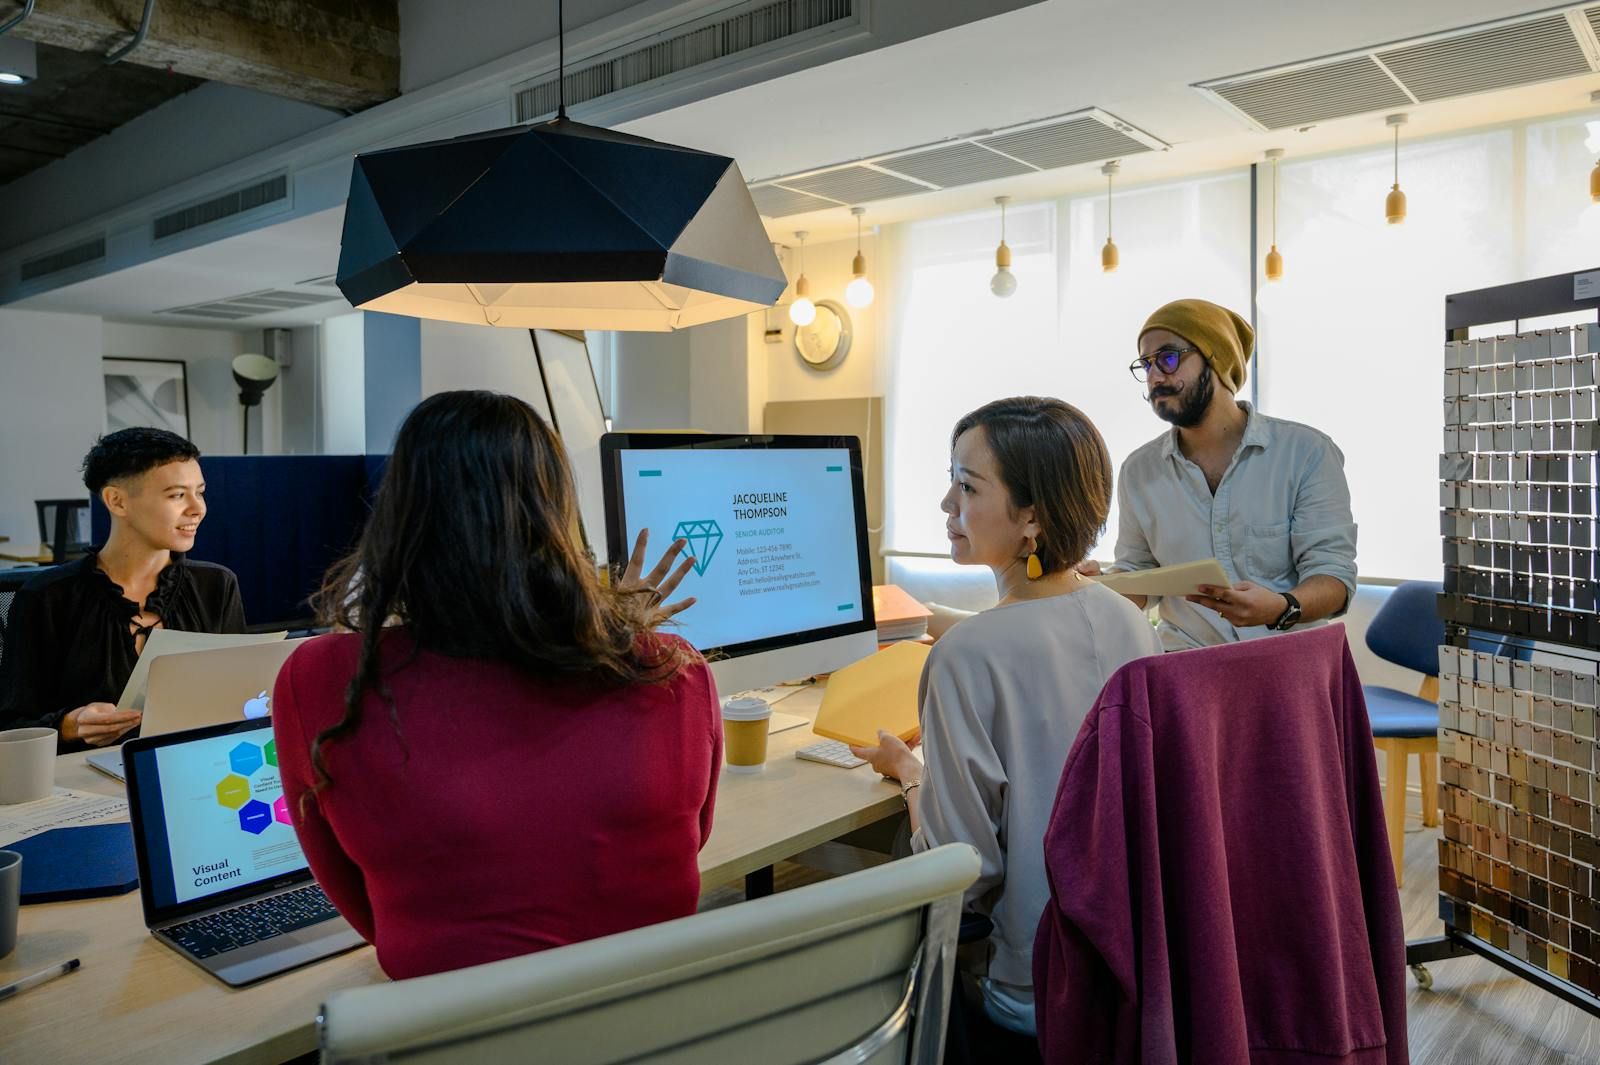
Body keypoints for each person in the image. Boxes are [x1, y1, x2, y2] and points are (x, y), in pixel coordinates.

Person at [271, 390, 721, 980]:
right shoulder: (674, 670)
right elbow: (685, 843)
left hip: (454, 1019)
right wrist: (616, 626)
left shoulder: (323, 679)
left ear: (400, 515)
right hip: (650, 1013)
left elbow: (368, 909)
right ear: (560, 512)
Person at [851, 396, 1161, 1038]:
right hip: (1128, 966)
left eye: (967, 487)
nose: (946, 504)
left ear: (1032, 516)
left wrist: (911, 775)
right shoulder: (1130, 619)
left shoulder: (966, 655)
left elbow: (960, 871)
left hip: (1032, 985)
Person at [1083, 298, 1357, 651]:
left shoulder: (1306, 453)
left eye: (1168, 358)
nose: (1154, 377)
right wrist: (1101, 587)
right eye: (1145, 364)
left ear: (1218, 360)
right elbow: (1139, 572)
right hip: (1187, 662)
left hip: (1288, 661)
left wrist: (1281, 608)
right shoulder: (1138, 470)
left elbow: (1334, 578)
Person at [0, 428, 243, 749]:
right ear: (117, 501)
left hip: (193, 762)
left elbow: (237, 695)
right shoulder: (48, 596)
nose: (198, 509)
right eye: (176, 495)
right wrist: (69, 726)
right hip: (82, 773)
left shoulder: (216, 585)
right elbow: (11, 725)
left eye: (200, 492)